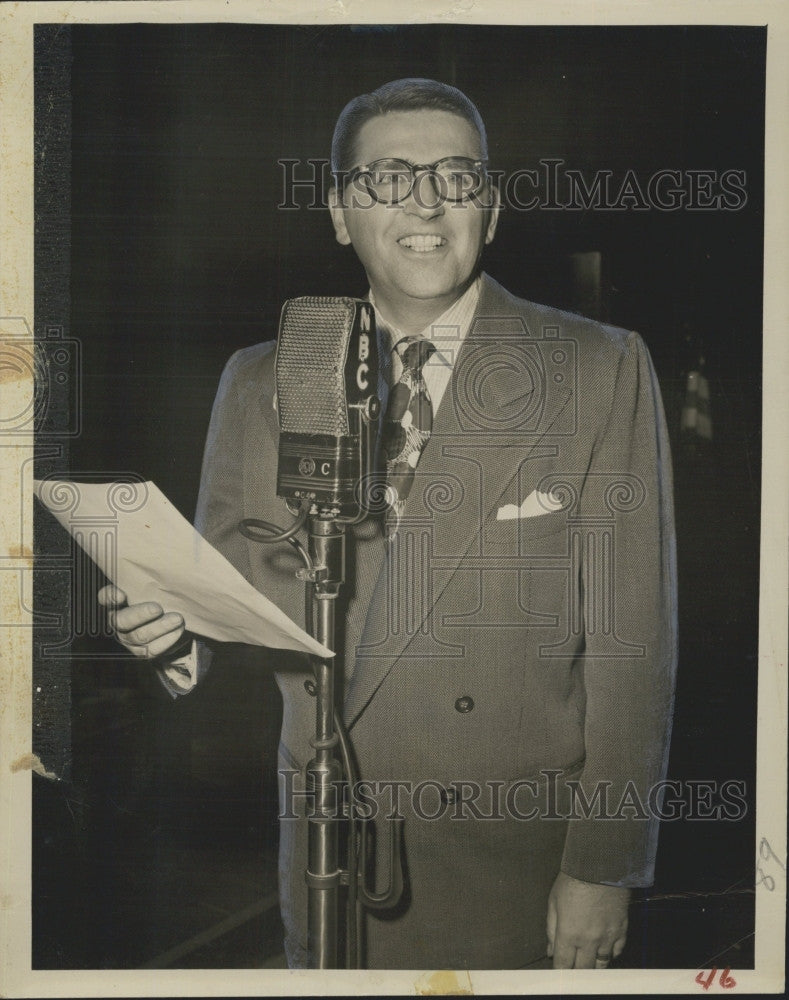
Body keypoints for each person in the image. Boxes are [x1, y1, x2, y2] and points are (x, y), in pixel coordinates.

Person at [98, 78, 677, 970]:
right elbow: (227, 588)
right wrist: (169, 630)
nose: (425, 202)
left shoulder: (596, 368)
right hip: (327, 850)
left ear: (489, 207)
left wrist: (603, 868)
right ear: (339, 214)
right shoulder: (262, 378)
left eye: (454, 176)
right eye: (387, 178)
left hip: (510, 856)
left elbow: (633, 647)